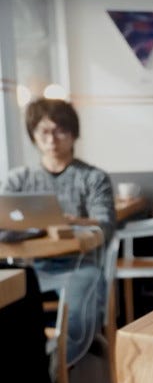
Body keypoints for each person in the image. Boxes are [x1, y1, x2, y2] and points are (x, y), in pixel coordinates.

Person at [1, 98, 115, 365]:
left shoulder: (93, 178)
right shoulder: (18, 180)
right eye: (43, 132)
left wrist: (74, 222)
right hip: (31, 267)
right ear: (33, 136)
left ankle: (51, 377)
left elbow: (105, 226)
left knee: (75, 321)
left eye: (59, 131)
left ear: (73, 134)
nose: (51, 139)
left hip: (80, 266)